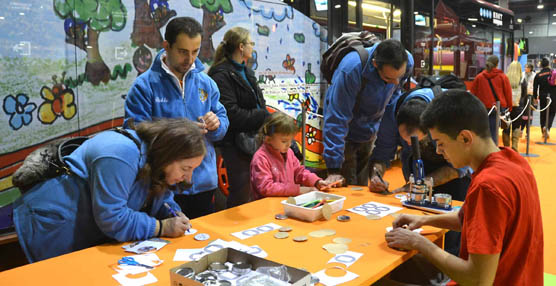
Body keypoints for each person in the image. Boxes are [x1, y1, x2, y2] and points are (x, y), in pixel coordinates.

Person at [384, 90, 543, 285]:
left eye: (441, 143)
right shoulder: (514, 161)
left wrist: (419, 242)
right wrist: (423, 220)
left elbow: (478, 280)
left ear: (465, 138)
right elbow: (470, 219)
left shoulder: (488, 187)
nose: (438, 151)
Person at [13, 118, 205, 263]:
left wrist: (171, 210)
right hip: (50, 226)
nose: (188, 178)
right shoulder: (120, 153)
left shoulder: (154, 157)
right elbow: (113, 218)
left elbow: (158, 194)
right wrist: (161, 227)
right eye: (186, 168)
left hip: (83, 230)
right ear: (168, 155)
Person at [124, 17, 229, 219]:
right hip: (163, 187)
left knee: (201, 244)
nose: (190, 59)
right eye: (183, 51)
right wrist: (180, 133)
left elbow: (223, 119)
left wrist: (217, 125)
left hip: (203, 183)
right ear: (167, 46)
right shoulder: (144, 86)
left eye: (195, 51)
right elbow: (135, 135)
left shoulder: (207, 83)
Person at [369, 87, 470, 256]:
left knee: (451, 234)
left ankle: (449, 264)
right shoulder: (393, 111)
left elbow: (460, 167)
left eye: (415, 140)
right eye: (405, 140)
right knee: (415, 222)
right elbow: (382, 154)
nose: (408, 144)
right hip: (418, 171)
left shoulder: (453, 111)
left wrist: (420, 184)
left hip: (453, 176)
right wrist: (375, 174)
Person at [322, 39, 414, 186]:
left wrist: (381, 159)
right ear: (375, 64)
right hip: (345, 136)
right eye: (389, 78)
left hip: (370, 131)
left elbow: (391, 106)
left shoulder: (407, 61)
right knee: (348, 187)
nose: (396, 83)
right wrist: (333, 168)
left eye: (399, 77)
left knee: (365, 186)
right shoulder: (351, 69)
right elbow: (337, 118)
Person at [208, 27, 269, 208]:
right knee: (241, 191)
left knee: (256, 189)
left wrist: (262, 115)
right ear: (241, 46)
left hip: (253, 138)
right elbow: (230, 114)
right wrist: (262, 115)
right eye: (250, 43)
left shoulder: (246, 71)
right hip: (234, 143)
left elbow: (259, 101)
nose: (253, 46)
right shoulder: (221, 74)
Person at [250, 112, 328, 200]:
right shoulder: (261, 158)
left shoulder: (289, 152)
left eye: (291, 140)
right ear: (268, 139)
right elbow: (266, 187)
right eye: (284, 141)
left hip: (286, 203)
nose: (289, 144)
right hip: (266, 207)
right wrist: (297, 190)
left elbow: (299, 172)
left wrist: (316, 181)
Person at [470, 55, 512, 144]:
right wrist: (509, 107)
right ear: (497, 64)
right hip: (497, 108)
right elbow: (508, 93)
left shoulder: (479, 77)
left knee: (482, 132)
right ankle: (493, 151)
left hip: (482, 109)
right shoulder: (502, 77)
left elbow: (472, 94)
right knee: (494, 132)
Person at [533, 57, 556, 140]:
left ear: (541, 65)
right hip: (553, 96)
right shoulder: (553, 73)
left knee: (543, 113)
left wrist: (535, 97)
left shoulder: (538, 75)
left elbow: (535, 87)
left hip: (542, 96)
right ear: (548, 64)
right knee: (552, 112)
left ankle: (543, 129)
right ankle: (548, 127)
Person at [503, 61, 524, 151]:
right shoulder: (522, 80)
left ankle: (506, 148)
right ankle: (515, 146)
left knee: (506, 127)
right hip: (518, 107)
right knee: (516, 126)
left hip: (506, 107)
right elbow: (524, 95)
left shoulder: (505, 79)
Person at [520, 63, 536, 134]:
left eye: (526, 67)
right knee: (523, 112)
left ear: (530, 68)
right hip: (523, 96)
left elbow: (536, 86)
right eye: (525, 67)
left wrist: (536, 96)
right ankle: (522, 129)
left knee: (529, 113)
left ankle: (527, 131)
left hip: (531, 95)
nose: (525, 69)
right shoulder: (522, 74)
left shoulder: (534, 75)